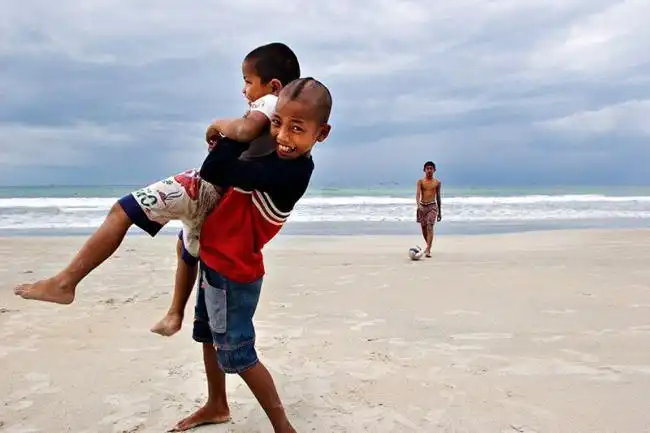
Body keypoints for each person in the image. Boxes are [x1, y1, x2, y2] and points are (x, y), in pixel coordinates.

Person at [13, 43, 300, 337]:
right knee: (187, 247)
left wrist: (216, 125)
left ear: (274, 86)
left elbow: (243, 130)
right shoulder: (282, 120)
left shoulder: (269, 104)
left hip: (201, 188)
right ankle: (175, 314)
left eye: (248, 81)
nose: (243, 89)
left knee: (122, 211)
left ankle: (65, 283)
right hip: (221, 199)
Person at [170, 77, 332, 432]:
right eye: (276, 122)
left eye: (297, 128)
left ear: (321, 134)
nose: (283, 136)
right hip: (215, 260)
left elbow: (215, 169)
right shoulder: (272, 153)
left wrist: (234, 129)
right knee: (209, 336)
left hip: (234, 273)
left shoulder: (289, 172)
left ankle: (283, 427)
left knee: (239, 354)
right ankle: (216, 404)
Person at [416, 161, 442, 257]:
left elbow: (438, 197)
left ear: (434, 170)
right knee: (424, 228)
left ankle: (428, 249)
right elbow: (418, 194)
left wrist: (439, 212)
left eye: (431, 168)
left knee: (430, 226)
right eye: (427, 168)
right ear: (424, 170)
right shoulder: (420, 182)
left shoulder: (437, 182)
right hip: (422, 206)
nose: (429, 170)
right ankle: (428, 246)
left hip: (432, 206)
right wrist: (418, 205)